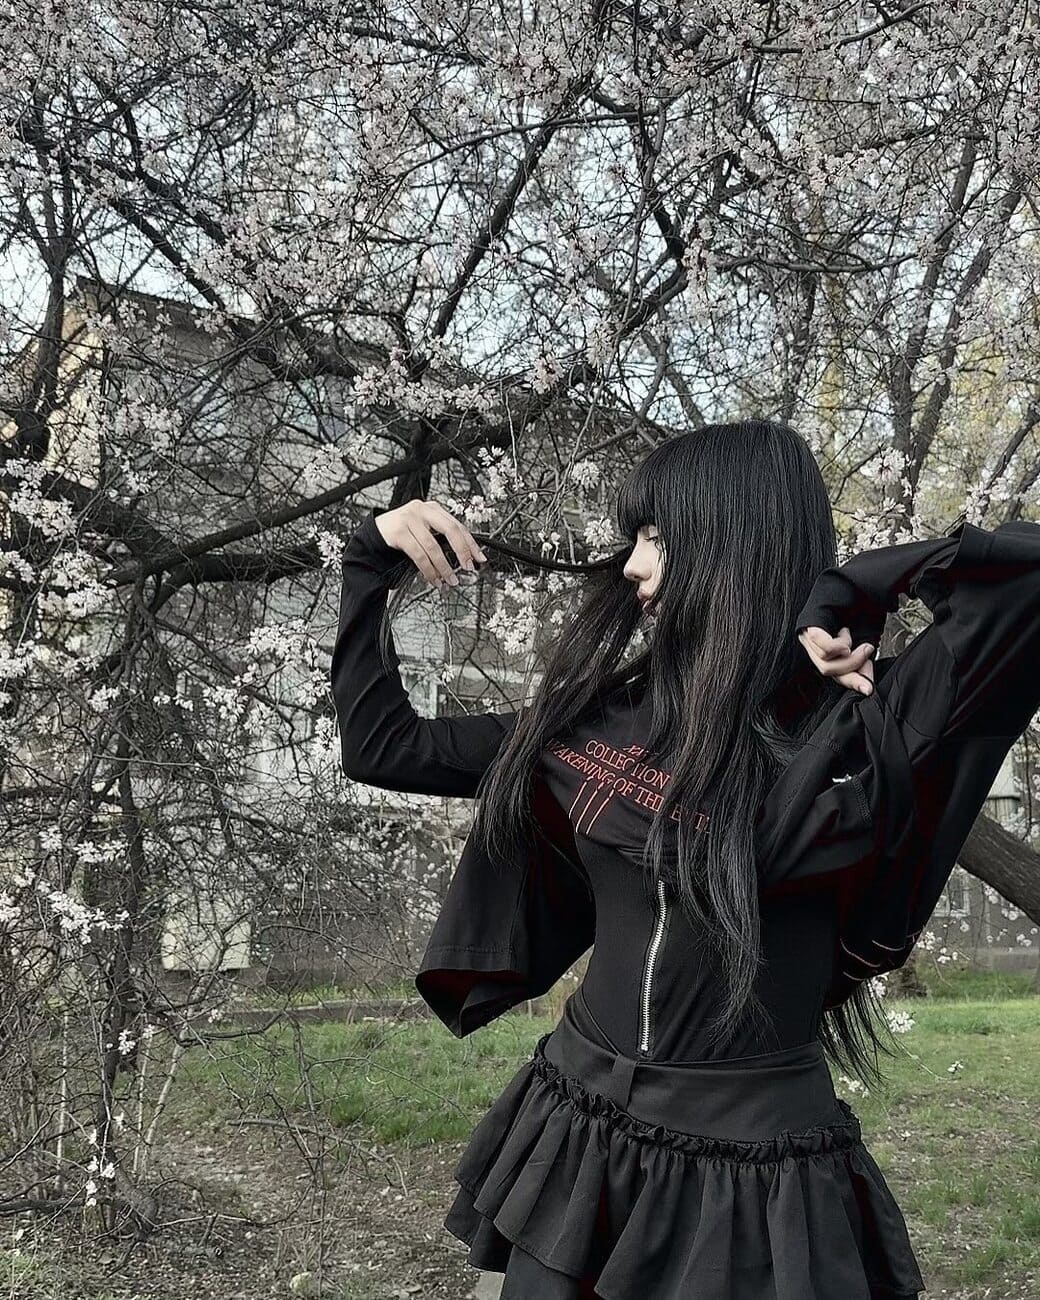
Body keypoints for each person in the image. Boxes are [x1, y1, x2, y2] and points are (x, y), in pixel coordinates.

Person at [331, 419, 1040, 1300]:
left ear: (737, 541)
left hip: (750, 1175)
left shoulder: (864, 724)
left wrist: (841, 596)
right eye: (634, 538)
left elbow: (1028, 581)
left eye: (657, 536)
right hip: (578, 1127)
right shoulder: (602, 718)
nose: (632, 565)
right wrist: (370, 558)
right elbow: (383, 745)